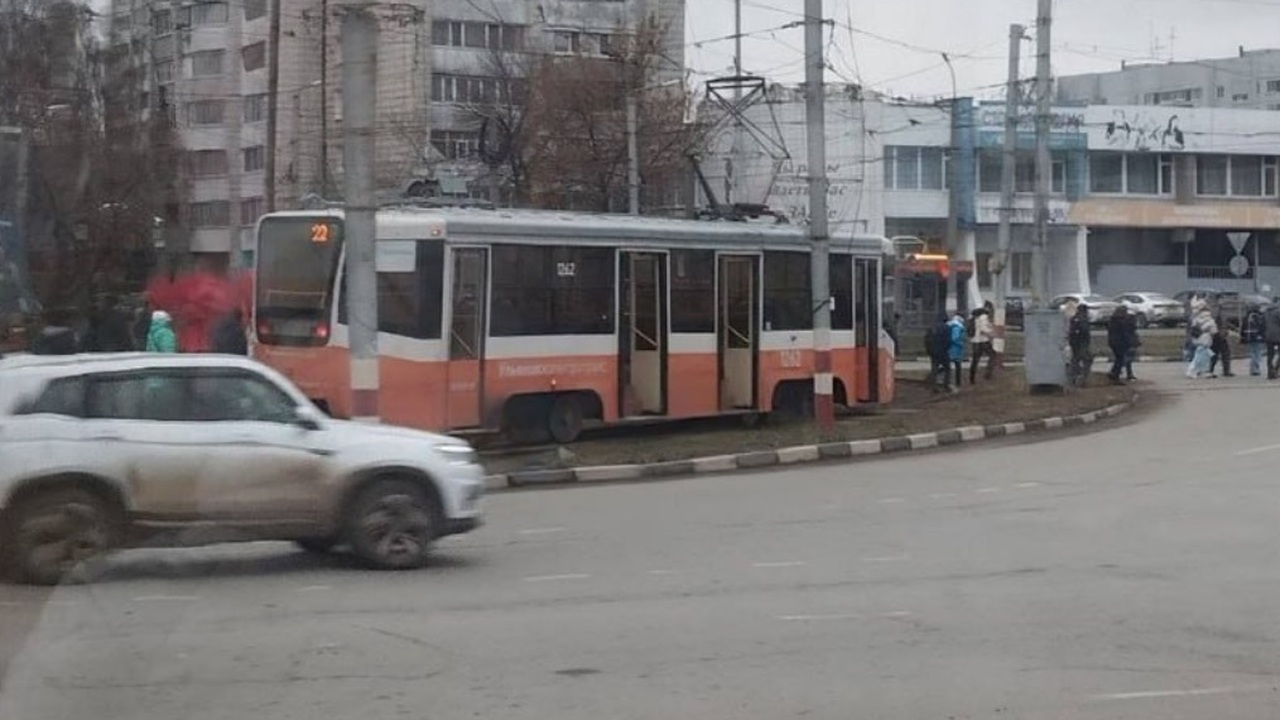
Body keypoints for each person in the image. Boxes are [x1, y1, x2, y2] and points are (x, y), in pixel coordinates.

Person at [1187, 298, 1218, 379]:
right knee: (1200, 356)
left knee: (1204, 356)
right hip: (1205, 339)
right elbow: (1214, 330)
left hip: (1197, 338)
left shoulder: (1195, 318)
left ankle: (1203, 371)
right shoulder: (1208, 318)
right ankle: (1192, 370)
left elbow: (1192, 328)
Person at [969, 303, 997, 384]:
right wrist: (992, 334)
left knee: (975, 360)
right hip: (983, 341)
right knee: (993, 355)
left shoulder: (975, 316)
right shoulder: (984, 316)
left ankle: (972, 378)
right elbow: (983, 329)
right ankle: (988, 374)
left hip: (975, 341)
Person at [1107, 305, 1135, 383]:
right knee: (1121, 359)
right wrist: (1130, 342)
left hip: (1113, 342)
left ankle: (1114, 373)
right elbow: (1125, 333)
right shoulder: (1122, 321)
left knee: (1119, 359)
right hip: (1120, 343)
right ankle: (1115, 375)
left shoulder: (1112, 320)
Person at [926, 312, 952, 392]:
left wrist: (929, 351)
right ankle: (946, 385)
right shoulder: (946, 327)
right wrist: (947, 348)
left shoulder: (931, 327)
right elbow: (948, 340)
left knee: (934, 368)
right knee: (947, 368)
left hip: (933, 351)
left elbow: (926, 340)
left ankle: (934, 387)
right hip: (943, 351)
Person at [1068, 303, 1092, 386]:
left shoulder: (1074, 318)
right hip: (1082, 343)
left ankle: (1072, 378)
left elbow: (1071, 333)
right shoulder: (1083, 319)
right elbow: (1084, 331)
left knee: (1075, 360)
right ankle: (1084, 379)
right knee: (1087, 360)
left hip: (1074, 343)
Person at [1241, 304, 1266, 377]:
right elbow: (1261, 327)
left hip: (1248, 336)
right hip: (1256, 336)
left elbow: (1243, 327)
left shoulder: (1246, 317)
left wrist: (1242, 337)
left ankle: (1252, 369)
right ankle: (1255, 369)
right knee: (1257, 353)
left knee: (1252, 352)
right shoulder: (1257, 316)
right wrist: (1263, 336)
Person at [1209, 309, 1234, 377]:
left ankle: (1212, 370)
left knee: (1218, 355)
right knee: (1222, 354)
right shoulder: (1218, 316)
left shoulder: (1217, 314)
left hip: (1217, 336)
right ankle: (1211, 370)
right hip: (1219, 337)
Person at [948, 312, 967, 389]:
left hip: (952, 348)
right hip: (955, 349)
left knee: (949, 364)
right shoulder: (957, 327)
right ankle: (957, 382)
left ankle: (953, 381)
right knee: (957, 365)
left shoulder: (951, 325)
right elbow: (955, 338)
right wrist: (961, 344)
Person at [1265, 302, 1280, 380]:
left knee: (1270, 355)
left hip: (1268, 336)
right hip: (1278, 336)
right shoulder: (1278, 312)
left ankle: (1270, 373)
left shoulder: (1266, 313)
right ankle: (1276, 370)